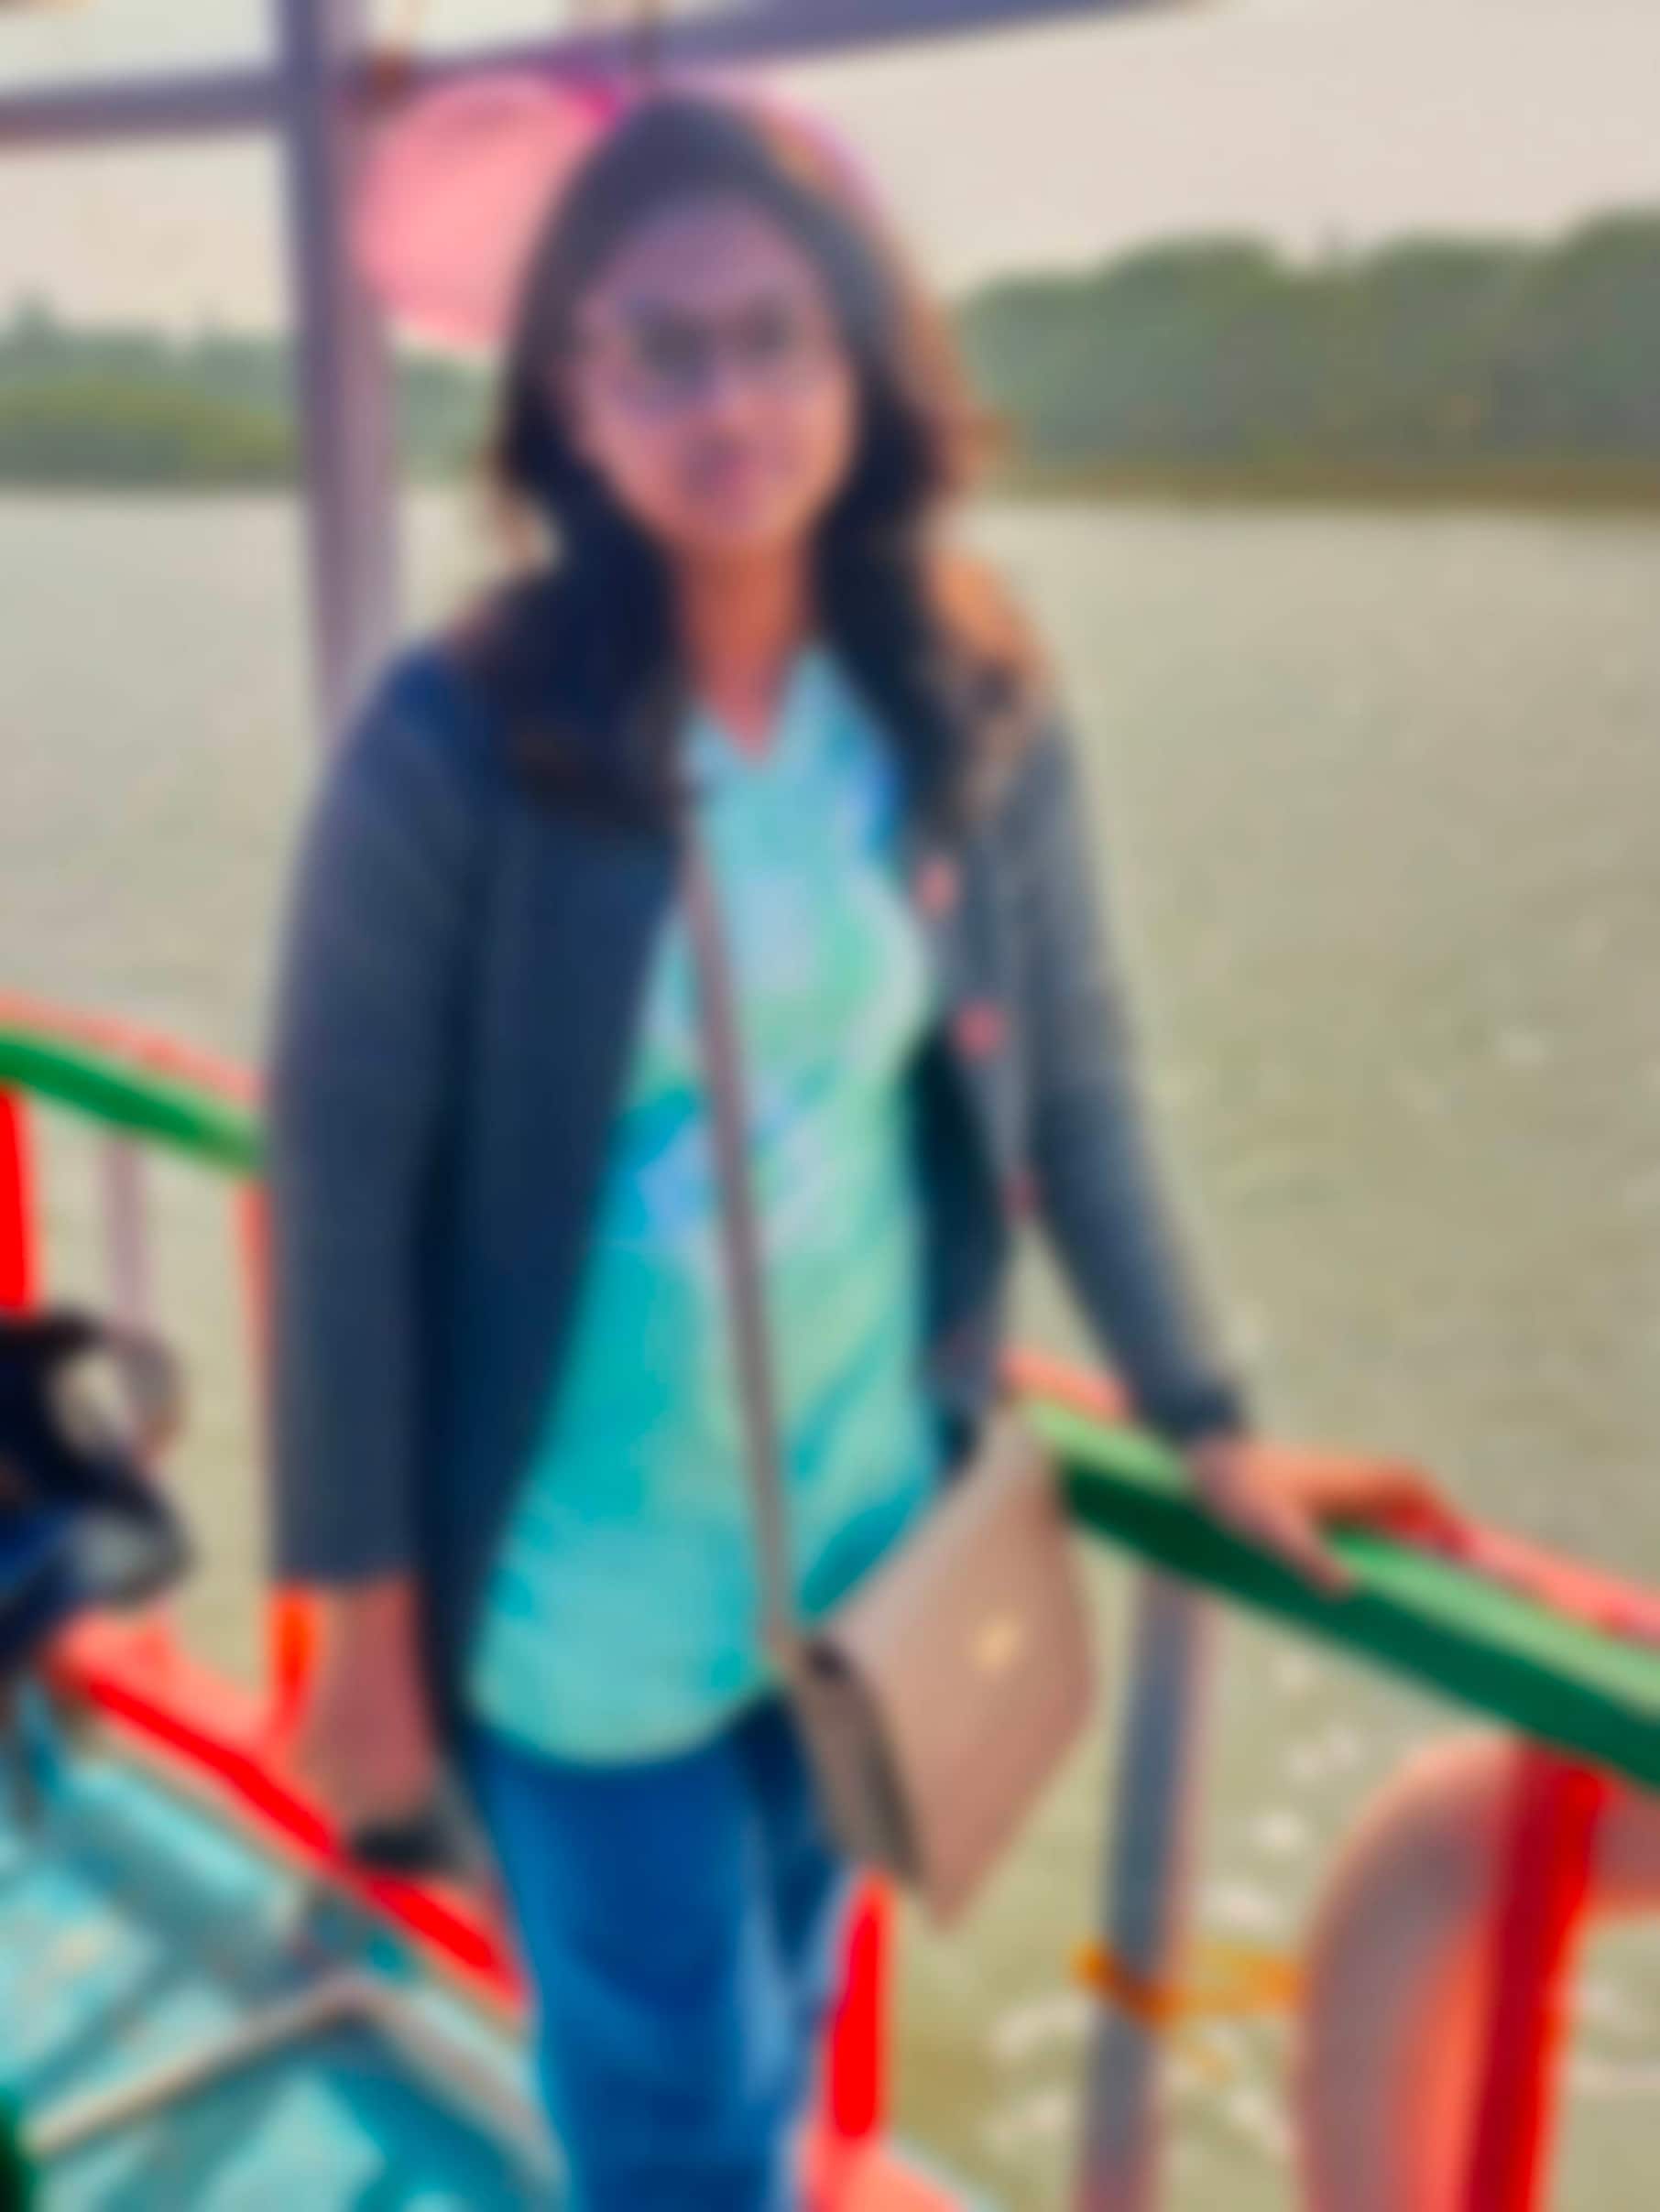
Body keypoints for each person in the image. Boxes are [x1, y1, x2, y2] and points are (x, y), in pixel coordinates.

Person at [267, 91, 1437, 2212]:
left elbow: (1075, 1080)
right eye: (661, 348)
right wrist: (359, 1631)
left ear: (863, 365)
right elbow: (340, 1197)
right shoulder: (455, 736)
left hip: (861, 1562)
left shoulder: (959, 695)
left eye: (775, 337)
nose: (728, 400)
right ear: (570, 399)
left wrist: (1203, 1413)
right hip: (580, 1602)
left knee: (791, 2038)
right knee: (678, 2130)